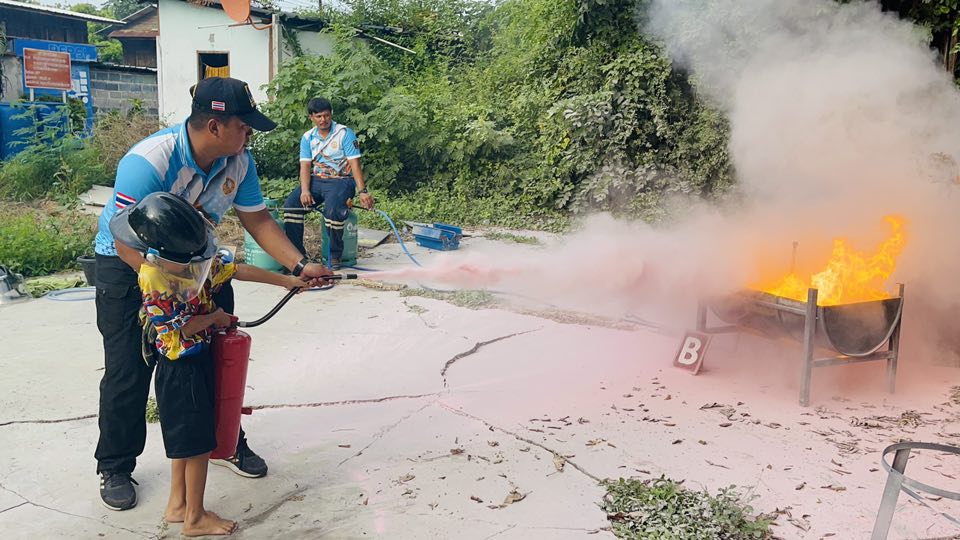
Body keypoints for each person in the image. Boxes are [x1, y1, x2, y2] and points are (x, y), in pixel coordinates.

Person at [93, 76, 332, 511]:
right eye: (244, 125)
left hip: (199, 267)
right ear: (215, 126)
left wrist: (298, 267)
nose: (249, 133)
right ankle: (116, 465)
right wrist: (172, 293)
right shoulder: (149, 161)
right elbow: (127, 242)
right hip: (130, 267)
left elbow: (258, 220)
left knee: (215, 360)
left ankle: (225, 441)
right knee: (129, 369)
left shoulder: (239, 161)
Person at [110, 192, 306, 536]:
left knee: (184, 442)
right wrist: (216, 316)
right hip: (179, 370)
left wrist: (288, 279)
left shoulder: (190, 264)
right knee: (199, 446)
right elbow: (180, 326)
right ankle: (195, 518)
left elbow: (233, 269)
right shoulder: (154, 277)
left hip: (194, 363)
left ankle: (177, 504)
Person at [283, 97, 374, 269]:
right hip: (317, 180)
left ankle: (334, 255)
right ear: (311, 117)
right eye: (318, 116)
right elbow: (305, 166)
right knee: (291, 206)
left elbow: (355, 164)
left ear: (331, 114)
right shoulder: (308, 137)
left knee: (333, 210)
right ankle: (298, 257)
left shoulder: (344, 133)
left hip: (341, 180)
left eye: (326, 115)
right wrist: (305, 191)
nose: (323, 120)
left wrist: (362, 191)